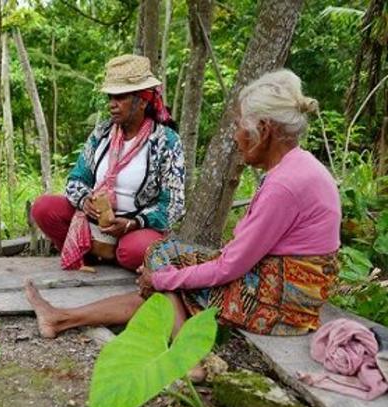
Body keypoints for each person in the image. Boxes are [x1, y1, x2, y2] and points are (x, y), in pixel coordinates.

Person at [25, 69, 340, 345]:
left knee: (163, 268)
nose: (236, 136)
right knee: (165, 265)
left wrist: (147, 249)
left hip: (279, 305)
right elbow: (76, 179)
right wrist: (88, 204)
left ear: (266, 130)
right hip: (283, 288)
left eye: (239, 126)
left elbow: (226, 262)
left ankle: (188, 359)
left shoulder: (281, 184)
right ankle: (62, 318)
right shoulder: (297, 168)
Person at [31, 54, 185, 272]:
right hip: (93, 220)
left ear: (142, 101)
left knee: (134, 250)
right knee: (44, 208)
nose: (112, 104)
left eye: (120, 98)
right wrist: (85, 201)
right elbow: (77, 179)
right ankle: (92, 251)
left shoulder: (166, 141)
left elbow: (173, 204)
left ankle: (109, 252)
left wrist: (135, 222)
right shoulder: (102, 132)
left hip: (134, 227)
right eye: (110, 97)